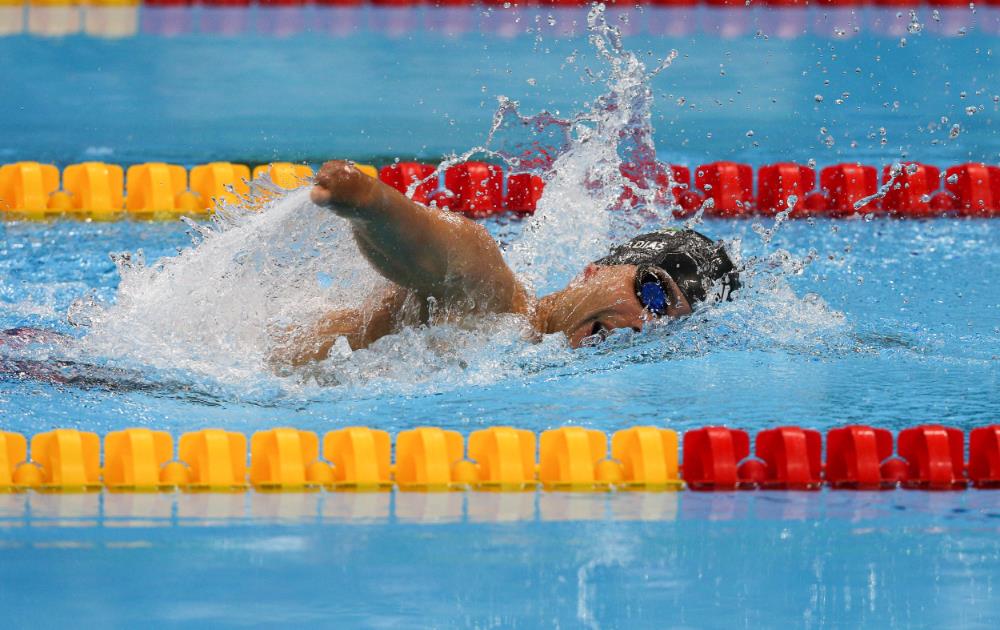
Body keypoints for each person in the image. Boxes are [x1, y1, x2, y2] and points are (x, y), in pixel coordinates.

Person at [271, 160, 740, 367]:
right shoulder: (498, 308)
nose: (644, 325)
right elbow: (451, 256)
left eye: (667, 321)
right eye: (652, 293)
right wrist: (371, 203)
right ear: (595, 270)